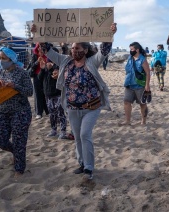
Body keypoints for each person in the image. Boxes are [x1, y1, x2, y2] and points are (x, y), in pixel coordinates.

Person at [31, 23, 117, 180]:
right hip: (72, 108)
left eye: (78, 48)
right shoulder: (65, 61)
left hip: (92, 107)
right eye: (72, 48)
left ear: (85, 50)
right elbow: (47, 51)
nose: (74, 51)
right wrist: (39, 36)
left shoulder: (92, 62)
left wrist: (110, 35)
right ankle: (82, 163)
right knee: (77, 137)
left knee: (85, 135)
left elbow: (104, 51)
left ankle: (89, 168)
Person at [0, 46, 33, 177]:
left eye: (3, 58)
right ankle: (15, 153)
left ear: (11, 59)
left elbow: (30, 91)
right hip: (2, 111)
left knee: (19, 141)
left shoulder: (22, 73)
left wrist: (15, 86)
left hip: (20, 111)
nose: (1, 61)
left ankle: (19, 169)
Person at [38, 49, 68, 140]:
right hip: (48, 94)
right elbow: (39, 78)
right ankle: (53, 130)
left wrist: (55, 72)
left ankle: (63, 131)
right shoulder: (45, 66)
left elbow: (63, 78)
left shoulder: (59, 66)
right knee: (52, 114)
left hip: (58, 94)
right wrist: (43, 69)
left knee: (61, 113)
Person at [120, 42, 151, 125]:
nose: (130, 51)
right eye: (130, 49)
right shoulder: (130, 57)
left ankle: (143, 121)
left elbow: (148, 72)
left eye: (131, 49)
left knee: (142, 104)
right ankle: (127, 121)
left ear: (137, 50)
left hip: (140, 85)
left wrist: (147, 85)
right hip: (129, 84)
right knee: (126, 102)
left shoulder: (142, 59)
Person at [27, 43, 49, 119]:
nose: (41, 48)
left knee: (46, 93)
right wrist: (37, 62)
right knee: (38, 94)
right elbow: (31, 67)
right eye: (39, 46)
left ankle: (47, 111)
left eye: (42, 47)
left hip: (46, 77)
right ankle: (39, 112)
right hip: (37, 77)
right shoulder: (35, 56)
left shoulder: (48, 55)